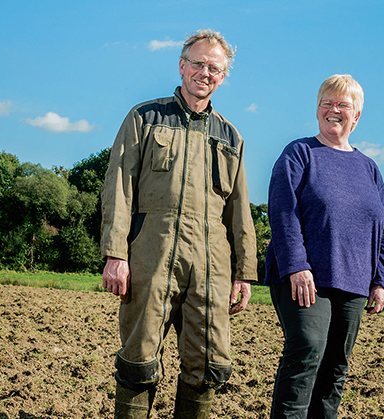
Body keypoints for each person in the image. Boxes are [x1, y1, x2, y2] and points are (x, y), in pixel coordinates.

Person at [100, 29, 258, 419]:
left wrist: (244, 272)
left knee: (206, 366)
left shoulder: (230, 135)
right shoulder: (145, 118)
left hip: (211, 267)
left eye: (214, 68)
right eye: (199, 64)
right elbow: (118, 186)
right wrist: (116, 253)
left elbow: (239, 209)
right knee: (137, 362)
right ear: (182, 66)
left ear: (223, 77)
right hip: (150, 257)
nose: (205, 73)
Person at [264, 74, 384, 419]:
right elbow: (282, 211)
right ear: (317, 109)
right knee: (307, 350)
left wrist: (382, 280)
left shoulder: (369, 169)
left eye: (342, 105)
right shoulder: (300, 154)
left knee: (336, 365)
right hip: (304, 277)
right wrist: (295, 265)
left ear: (356, 116)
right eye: (327, 103)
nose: (333, 110)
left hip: (352, 281)